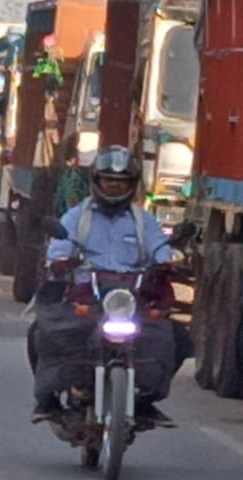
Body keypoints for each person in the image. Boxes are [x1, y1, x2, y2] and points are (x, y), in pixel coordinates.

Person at [28, 146, 187, 427]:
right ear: (96, 181)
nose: (114, 186)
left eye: (121, 182)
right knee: (40, 333)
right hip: (87, 296)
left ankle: (145, 401)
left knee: (178, 338)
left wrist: (167, 261)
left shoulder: (143, 221)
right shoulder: (78, 217)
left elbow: (160, 249)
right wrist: (62, 260)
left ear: (132, 184)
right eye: (108, 180)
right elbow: (59, 247)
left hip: (130, 297)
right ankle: (47, 401)